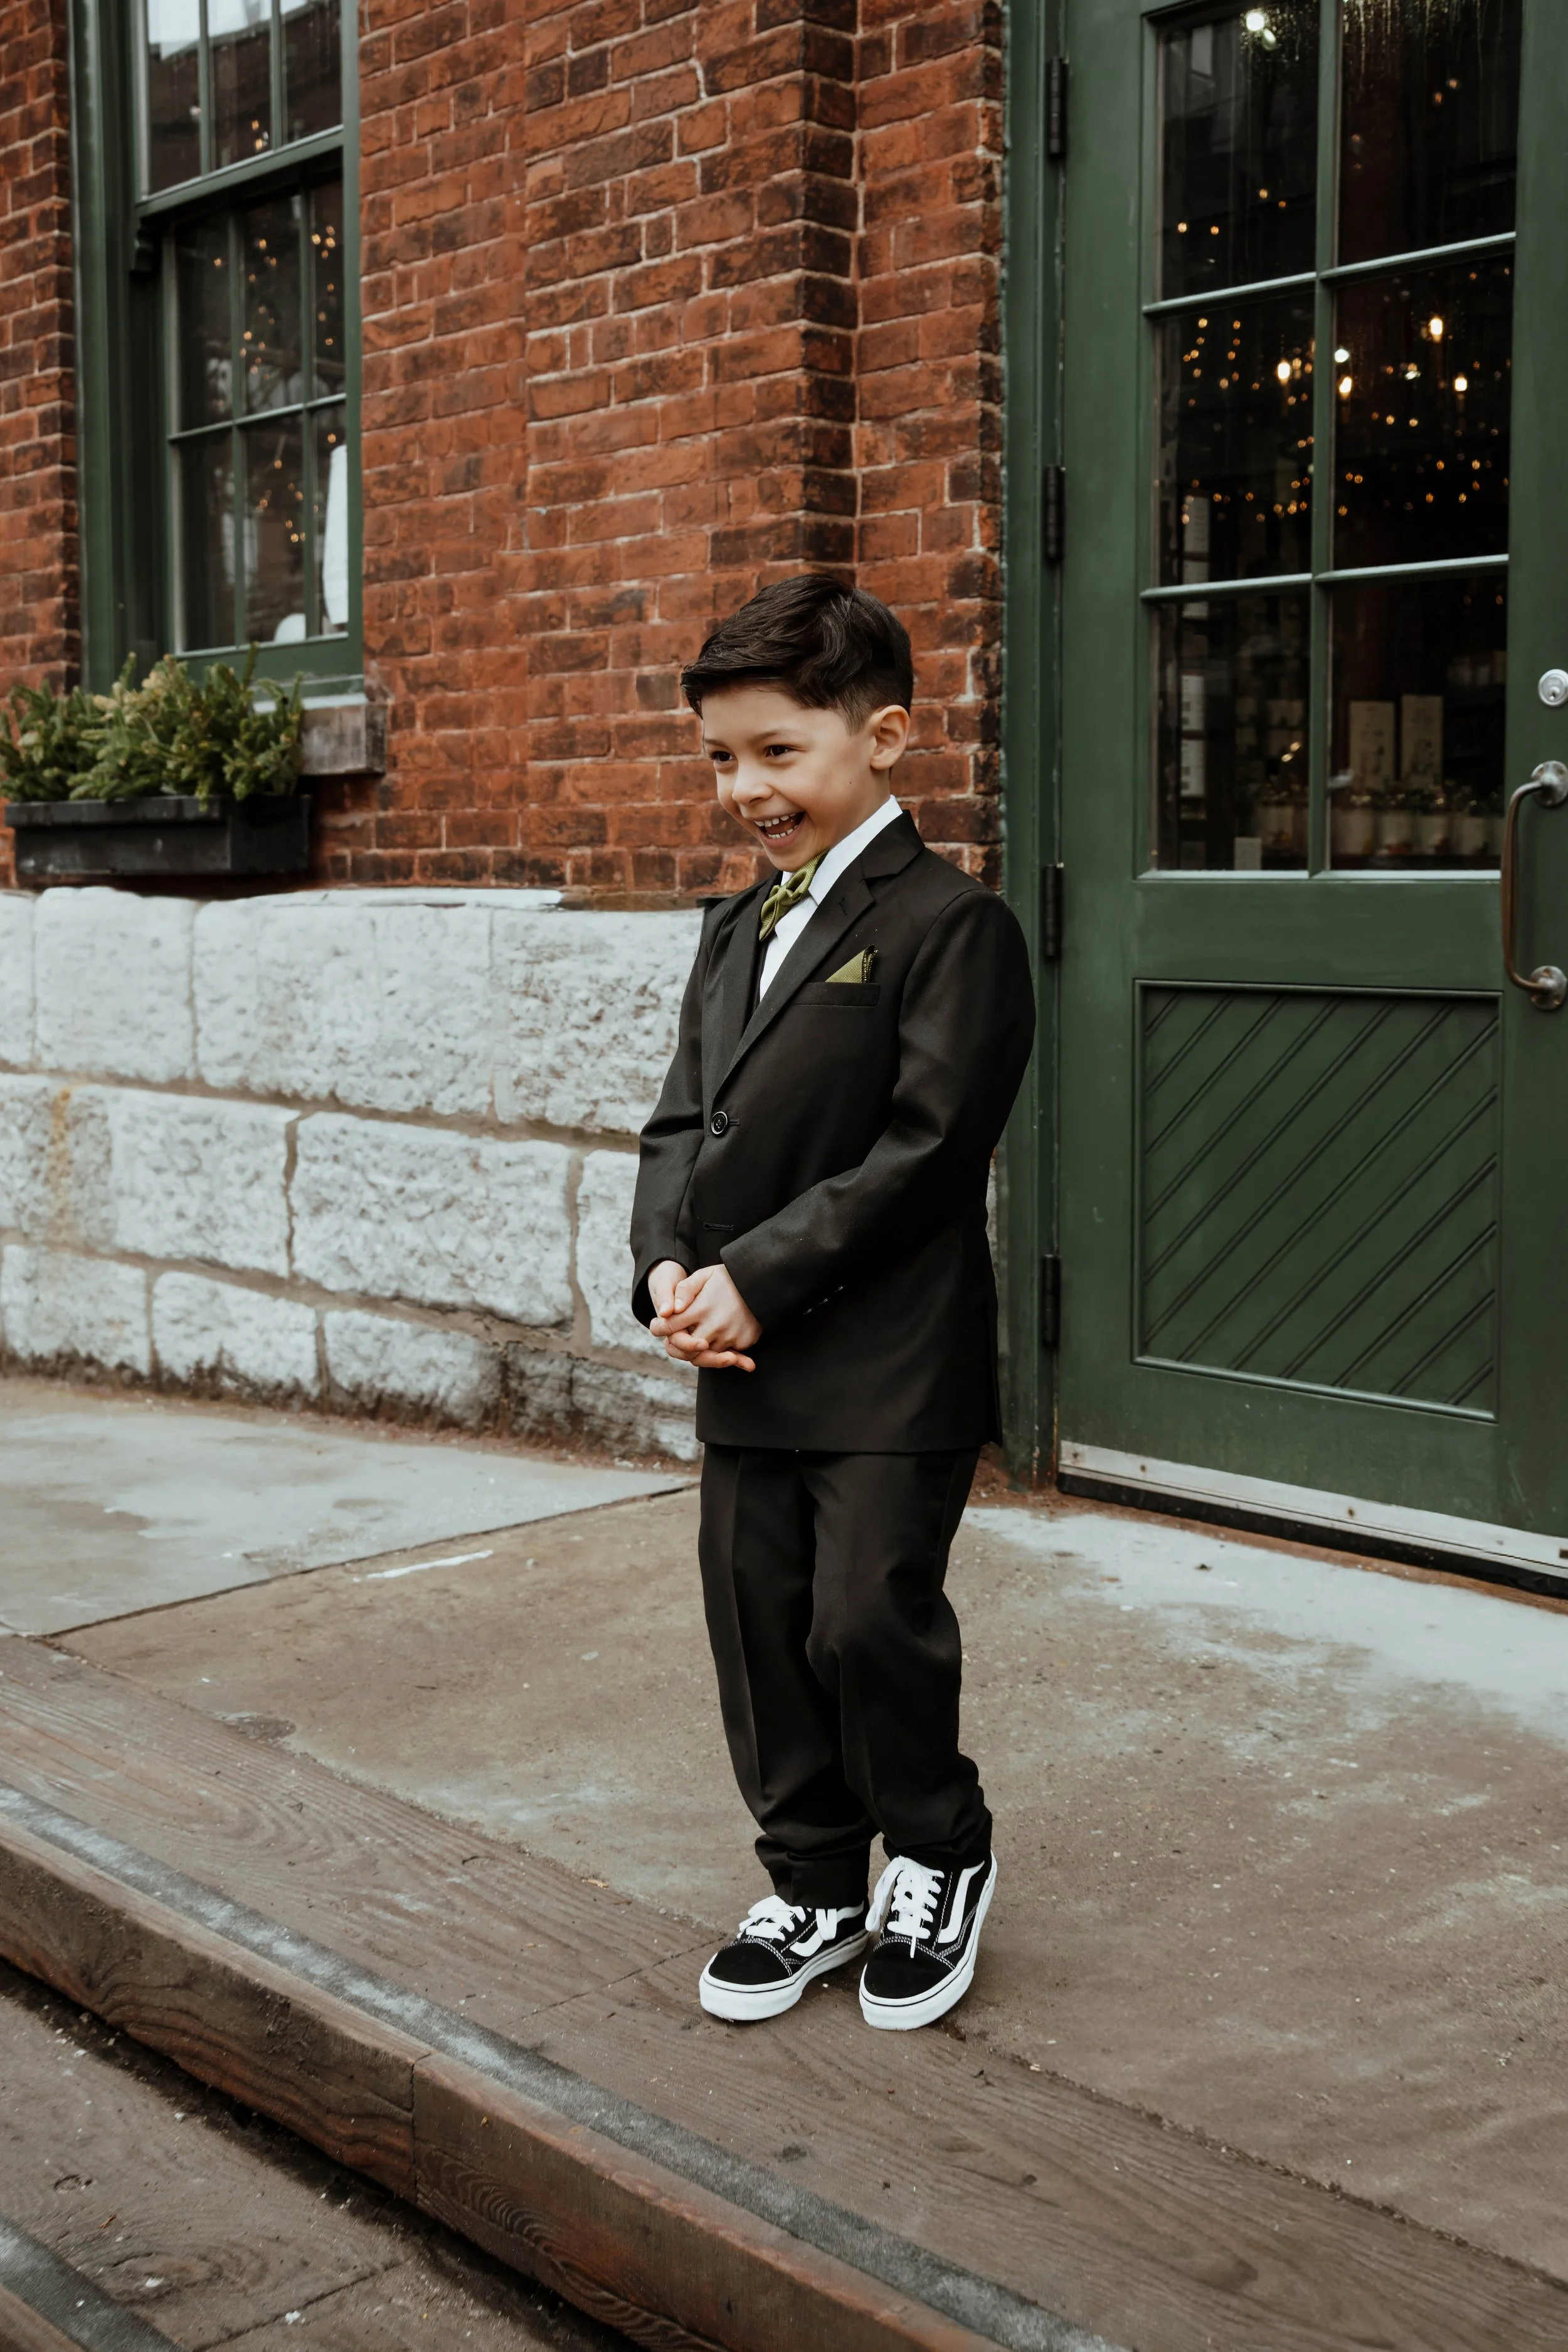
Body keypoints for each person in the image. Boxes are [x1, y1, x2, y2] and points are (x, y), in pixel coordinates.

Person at [629, 575, 1036, 2032]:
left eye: (776, 753)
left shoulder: (949, 927)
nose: (745, 788)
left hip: (886, 1363)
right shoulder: (732, 931)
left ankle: (936, 1850)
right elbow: (680, 1122)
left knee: (864, 1619)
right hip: (739, 1360)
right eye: (720, 760)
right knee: (758, 1620)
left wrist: (761, 1278)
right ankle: (810, 1874)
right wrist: (669, 1266)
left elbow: (926, 1154)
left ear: (885, 738)